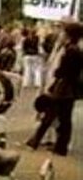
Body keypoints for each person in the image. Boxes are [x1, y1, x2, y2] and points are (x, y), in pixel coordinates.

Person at [26, 22, 83, 156]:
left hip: (63, 88)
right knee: (63, 119)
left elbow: (64, 71)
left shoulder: (71, 51)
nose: (61, 35)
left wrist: (57, 74)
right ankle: (59, 146)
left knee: (51, 116)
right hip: (68, 90)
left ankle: (36, 141)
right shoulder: (75, 49)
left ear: (68, 35)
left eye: (63, 33)